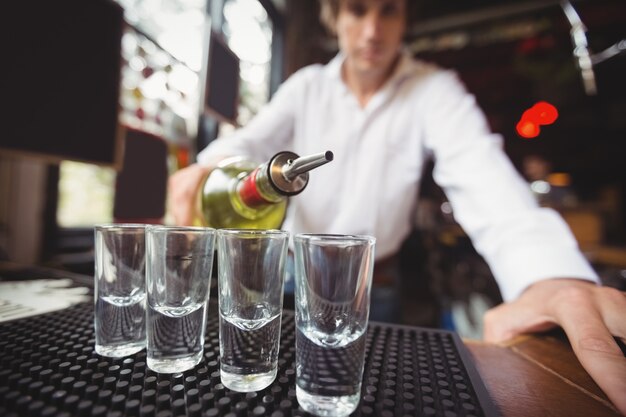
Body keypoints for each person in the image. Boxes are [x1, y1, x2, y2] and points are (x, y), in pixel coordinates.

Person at [169, 0, 626, 413]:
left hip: (373, 289)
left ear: (406, 18)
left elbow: (481, 171)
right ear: (334, 17)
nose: (372, 30)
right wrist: (205, 166)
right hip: (292, 279)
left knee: (361, 400)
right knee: (269, 397)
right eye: (357, 9)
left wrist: (550, 275)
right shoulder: (306, 87)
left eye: (388, 10)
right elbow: (251, 141)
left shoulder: (434, 90)